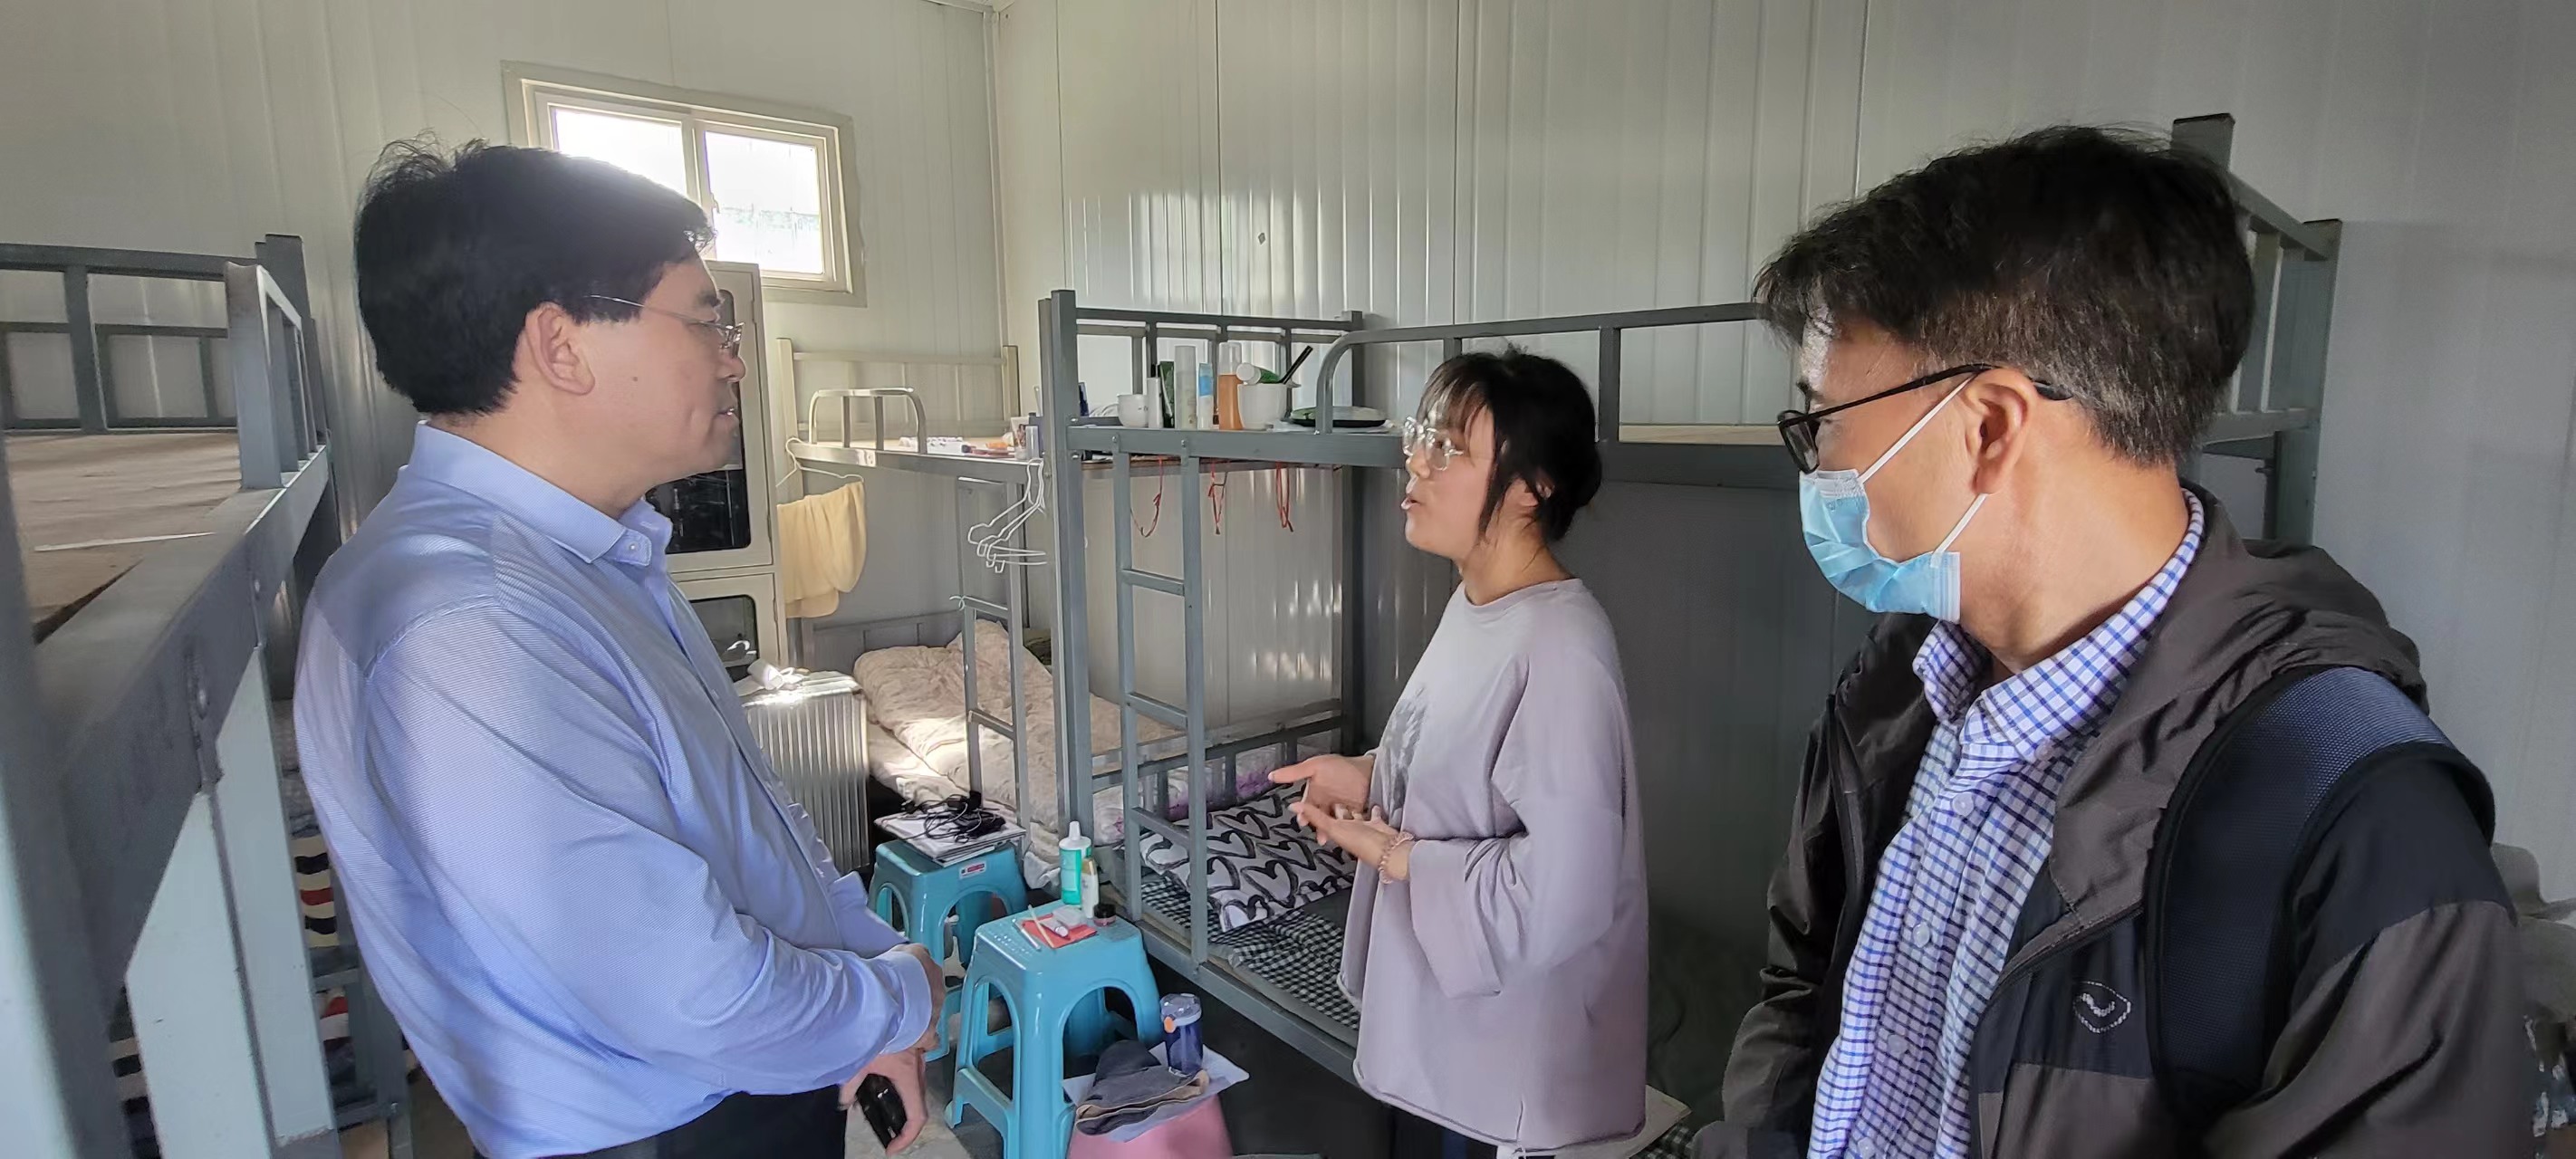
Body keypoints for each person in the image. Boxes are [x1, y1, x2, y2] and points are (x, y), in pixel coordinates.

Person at [1699, 127, 2528, 1158]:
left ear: (1989, 428)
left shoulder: (2359, 818)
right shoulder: (1898, 691)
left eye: (1822, 418)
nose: (1815, 460)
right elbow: (1805, 986)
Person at [294, 141, 941, 1159]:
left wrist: (862, 985)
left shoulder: (590, 555)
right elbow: (692, 997)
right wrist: (896, 995)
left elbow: (749, 817)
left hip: (749, 1086)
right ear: (561, 344)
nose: (732, 358)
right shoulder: (470, 621)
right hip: (672, 1127)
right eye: (705, 320)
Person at [1272, 350, 1648, 1159]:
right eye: (1421, 436)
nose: (1415, 461)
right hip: (1449, 1026)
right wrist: (1368, 774)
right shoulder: (1477, 604)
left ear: (1531, 487)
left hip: (1505, 1062)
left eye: (1448, 447)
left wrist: (1396, 856)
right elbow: (1464, 757)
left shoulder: (1560, 649)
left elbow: (1566, 894)